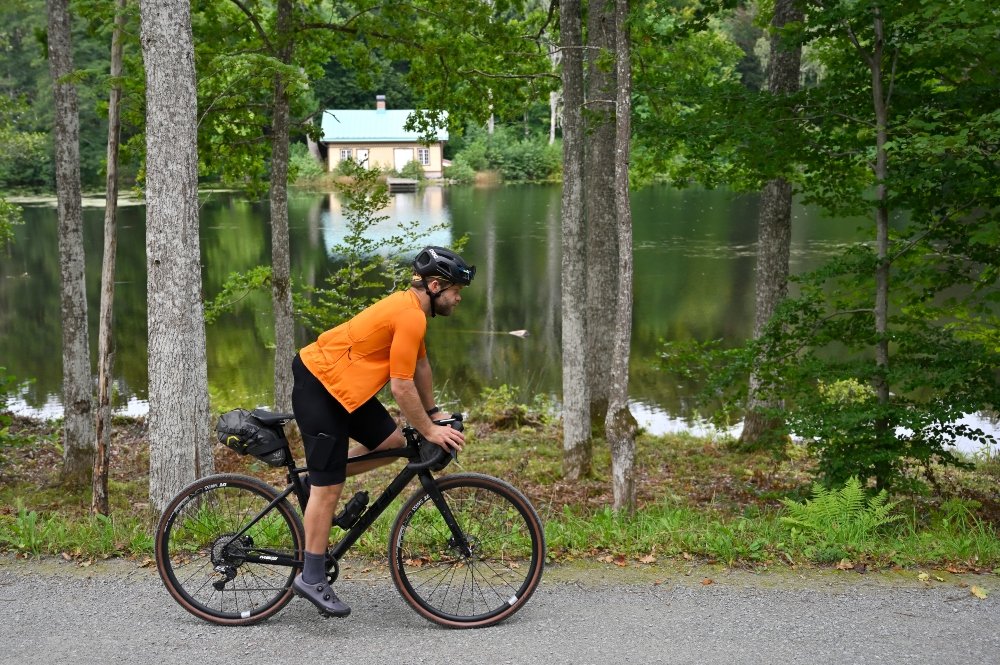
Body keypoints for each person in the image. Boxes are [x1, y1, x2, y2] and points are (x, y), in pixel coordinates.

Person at [290, 246, 475, 617]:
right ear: (436, 286)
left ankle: (311, 481)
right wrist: (430, 431)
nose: (457, 299)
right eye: (455, 291)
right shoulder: (410, 316)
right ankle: (311, 575)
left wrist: (434, 413)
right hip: (320, 384)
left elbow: (420, 364)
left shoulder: (414, 313)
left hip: (345, 388)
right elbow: (401, 387)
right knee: (330, 488)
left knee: (393, 445)